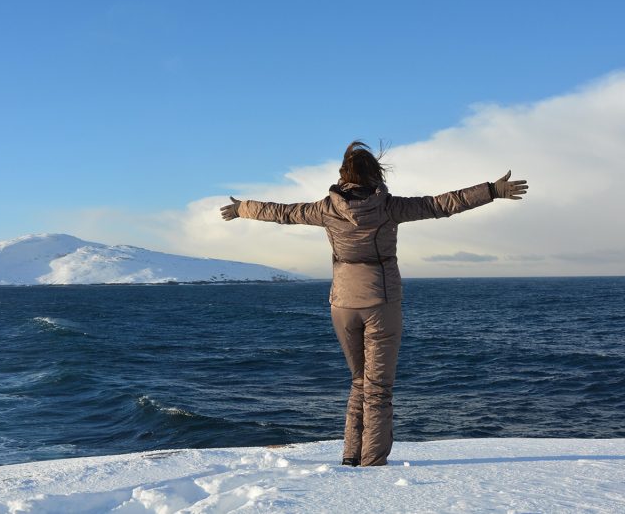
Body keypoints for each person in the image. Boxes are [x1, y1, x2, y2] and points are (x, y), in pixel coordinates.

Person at [219, 141, 528, 467]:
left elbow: (281, 213)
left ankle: (351, 458)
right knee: (378, 389)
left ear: (343, 175)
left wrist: (242, 208)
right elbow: (441, 204)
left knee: (359, 382)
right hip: (381, 304)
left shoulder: (325, 209)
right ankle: (373, 467)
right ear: (375, 174)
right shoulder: (388, 207)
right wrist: (492, 190)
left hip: (342, 306)